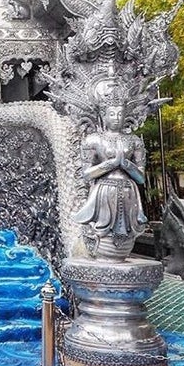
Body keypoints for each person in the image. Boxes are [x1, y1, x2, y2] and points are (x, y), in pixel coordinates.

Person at [72, 103, 147, 260]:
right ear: (103, 116)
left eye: (120, 114)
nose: (116, 118)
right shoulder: (93, 140)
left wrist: (126, 164)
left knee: (127, 229)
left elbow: (140, 178)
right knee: (103, 228)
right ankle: (103, 256)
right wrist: (110, 164)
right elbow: (86, 174)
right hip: (104, 190)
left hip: (129, 191)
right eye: (112, 114)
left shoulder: (134, 141)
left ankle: (120, 257)